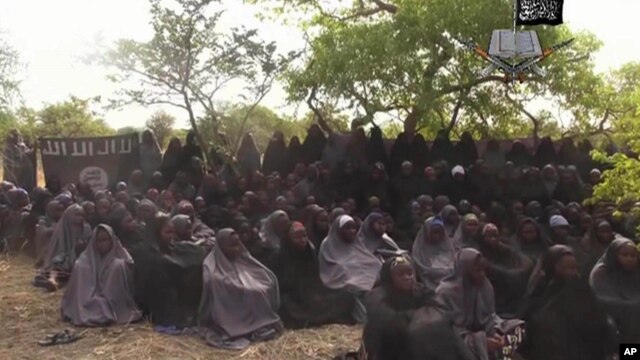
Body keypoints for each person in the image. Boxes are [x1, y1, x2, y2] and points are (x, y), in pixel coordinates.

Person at [361, 254, 475, 360]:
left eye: (410, 273)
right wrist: (417, 319)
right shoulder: (377, 295)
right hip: (390, 346)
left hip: (419, 337)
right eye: (400, 274)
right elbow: (389, 321)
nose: (407, 278)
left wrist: (416, 321)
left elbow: (441, 310)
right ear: (389, 278)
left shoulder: (419, 290)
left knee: (448, 331)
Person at [520, 245, 617, 360]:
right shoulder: (541, 289)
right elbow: (530, 322)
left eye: (574, 268)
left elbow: (598, 322)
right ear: (551, 266)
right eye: (566, 268)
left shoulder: (581, 289)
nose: (572, 272)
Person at [197, 228, 282, 350]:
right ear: (221, 246)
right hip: (230, 293)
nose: (237, 248)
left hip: (245, 281)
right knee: (253, 292)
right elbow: (213, 279)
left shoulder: (241, 256)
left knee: (264, 285)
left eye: (238, 244)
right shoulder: (211, 262)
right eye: (232, 245)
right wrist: (238, 284)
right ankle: (245, 325)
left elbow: (256, 269)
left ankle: (260, 322)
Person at [436, 248, 525, 360]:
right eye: (478, 270)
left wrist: (495, 333)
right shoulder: (445, 293)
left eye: (484, 270)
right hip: (458, 343)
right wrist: (481, 342)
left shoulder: (484, 286)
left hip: (484, 335)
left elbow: (489, 316)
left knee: (517, 328)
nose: (483, 275)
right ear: (465, 270)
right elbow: (447, 331)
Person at [272, 222, 355, 328]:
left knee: (346, 295)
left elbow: (315, 278)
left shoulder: (309, 252)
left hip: (312, 292)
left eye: (304, 236)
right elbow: (279, 286)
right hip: (293, 298)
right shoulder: (278, 257)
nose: (302, 240)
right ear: (288, 239)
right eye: (297, 237)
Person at [129, 214, 206, 328]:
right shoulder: (144, 252)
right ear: (156, 232)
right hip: (153, 303)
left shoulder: (168, 246)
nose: (172, 236)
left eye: (173, 232)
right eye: (168, 232)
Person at [61, 224, 142, 326]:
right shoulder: (82, 262)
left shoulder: (119, 261)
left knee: (118, 265)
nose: (104, 244)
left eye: (107, 240)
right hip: (87, 302)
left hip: (111, 304)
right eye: (100, 241)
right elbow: (81, 296)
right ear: (94, 242)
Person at [319, 215, 383, 323]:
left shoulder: (356, 242)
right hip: (345, 283)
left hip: (364, 280)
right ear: (339, 230)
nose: (352, 231)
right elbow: (330, 269)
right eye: (347, 228)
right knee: (353, 288)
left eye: (354, 228)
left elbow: (367, 259)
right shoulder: (328, 243)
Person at [476, 224, 533, 318]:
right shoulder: (478, 252)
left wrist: (505, 273)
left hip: (507, 286)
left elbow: (523, 263)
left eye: (495, 236)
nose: (493, 239)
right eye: (489, 236)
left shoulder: (506, 250)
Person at [589, 238, 640, 343]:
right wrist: (633, 306)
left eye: (633, 256)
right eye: (624, 255)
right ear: (614, 255)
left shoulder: (636, 271)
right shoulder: (602, 272)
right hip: (610, 322)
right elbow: (601, 300)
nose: (629, 259)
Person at [34, 204, 92, 291]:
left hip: (80, 256)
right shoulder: (61, 227)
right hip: (63, 256)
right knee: (57, 262)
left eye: (82, 215)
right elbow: (57, 247)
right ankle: (52, 280)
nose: (80, 218)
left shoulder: (86, 228)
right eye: (77, 214)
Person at [412, 217, 456, 292]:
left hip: (451, 286)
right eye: (434, 232)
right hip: (428, 288)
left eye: (440, 233)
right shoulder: (419, 250)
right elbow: (422, 269)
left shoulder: (448, 247)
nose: (437, 236)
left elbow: (454, 265)